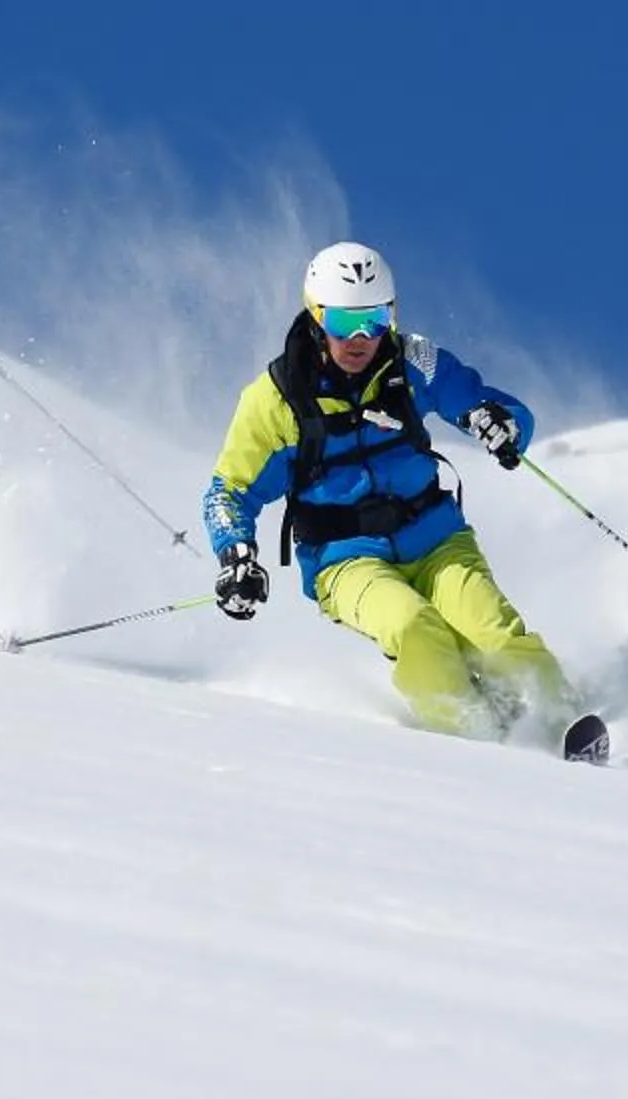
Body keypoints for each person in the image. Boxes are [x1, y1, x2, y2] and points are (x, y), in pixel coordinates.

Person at [201, 241, 573, 740]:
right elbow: (229, 491)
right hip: (346, 560)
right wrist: (236, 557)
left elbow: (479, 399)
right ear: (315, 318)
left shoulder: (411, 361)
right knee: (414, 627)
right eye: (341, 324)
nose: (359, 339)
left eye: (374, 321)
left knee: (494, 634)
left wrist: (500, 423)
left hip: (436, 539)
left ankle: (566, 725)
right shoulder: (276, 401)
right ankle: (476, 735)